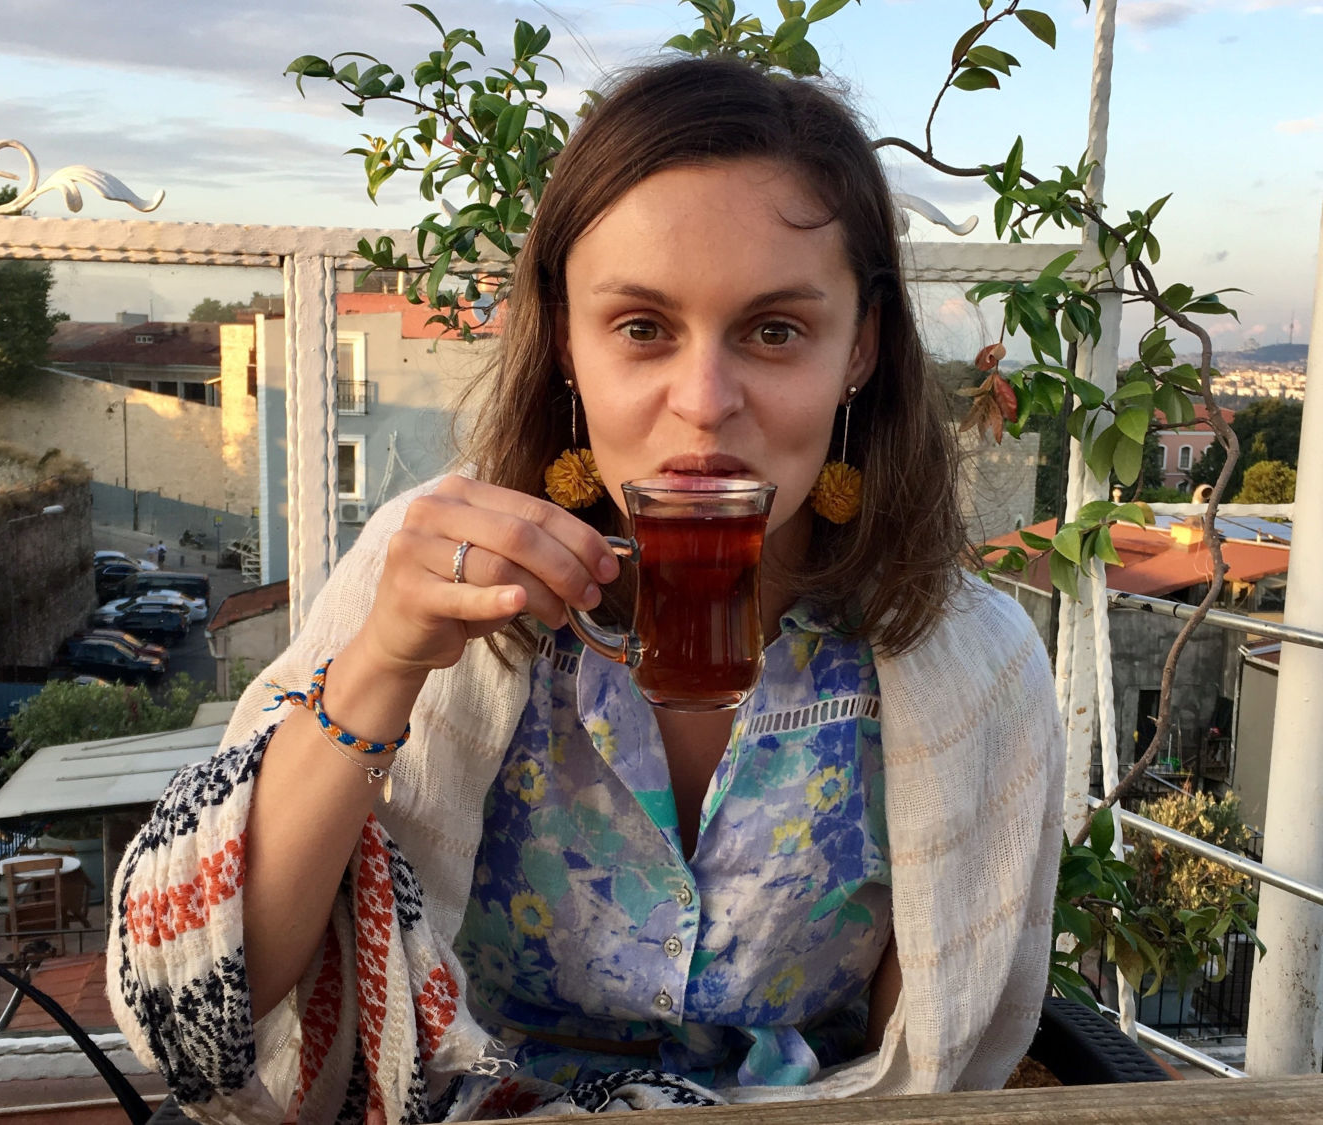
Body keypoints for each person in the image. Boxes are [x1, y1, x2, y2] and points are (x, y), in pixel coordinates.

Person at [110, 56, 1062, 1125]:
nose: (703, 404)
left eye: (775, 331)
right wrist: (382, 662)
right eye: (643, 328)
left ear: (862, 350)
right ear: (567, 339)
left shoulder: (965, 667)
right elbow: (207, 1011)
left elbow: (925, 1065)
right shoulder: (435, 574)